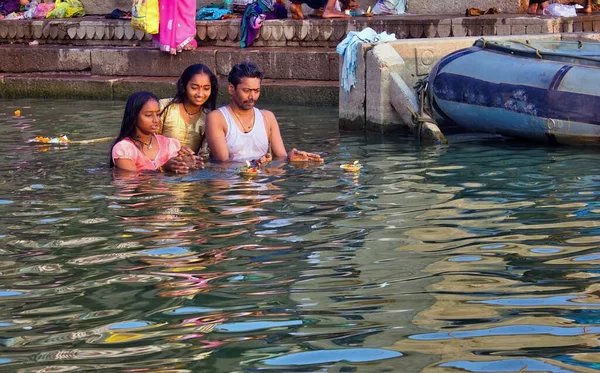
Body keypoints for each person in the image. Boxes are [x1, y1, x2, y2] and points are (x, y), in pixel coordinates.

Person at [205, 62, 323, 164]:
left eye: (256, 91)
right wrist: (255, 164)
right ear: (231, 89)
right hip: (231, 186)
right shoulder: (217, 118)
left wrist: (289, 158)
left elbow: (280, 157)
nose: (252, 96)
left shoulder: (268, 117)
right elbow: (223, 164)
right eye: (246, 91)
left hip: (263, 184)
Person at [110, 91, 203, 173]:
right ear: (134, 118)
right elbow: (132, 180)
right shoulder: (124, 149)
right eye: (148, 115)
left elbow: (176, 176)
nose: (156, 120)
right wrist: (163, 169)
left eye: (158, 114)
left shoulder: (168, 144)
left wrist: (186, 165)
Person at [158, 64, 218, 158]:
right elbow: (149, 141)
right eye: (194, 88)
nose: (200, 94)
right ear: (183, 86)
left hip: (190, 168)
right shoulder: (164, 107)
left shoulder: (210, 117)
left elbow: (204, 156)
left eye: (206, 88)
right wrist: (174, 150)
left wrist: (192, 160)